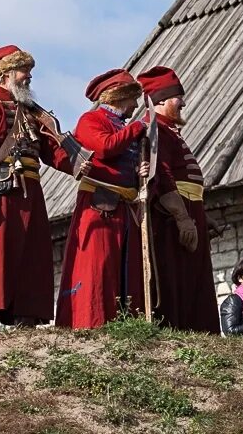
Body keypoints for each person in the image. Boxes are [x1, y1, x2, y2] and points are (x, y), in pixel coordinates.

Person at [0, 45, 74, 327]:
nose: (28, 77)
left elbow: (50, 152)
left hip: (32, 192)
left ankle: (27, 314)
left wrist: (78, 166)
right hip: (2, 188)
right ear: (6, 73)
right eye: (24, 71)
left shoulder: (33, 113)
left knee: (33, 254)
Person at [55, 69, 148, 329]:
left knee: (120, 266)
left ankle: (123, 321)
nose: (136, 105)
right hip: (99, 204)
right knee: (98, 266)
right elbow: (105, 148)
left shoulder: (123, 127)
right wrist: (139, 126)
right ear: (120, 96)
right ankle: (91, 321)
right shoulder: (91, 120)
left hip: (122, 205)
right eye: (132, 99)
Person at [137, 66, 219, 333]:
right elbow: (163, 175)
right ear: (161, 100)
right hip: (172, 217)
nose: (182, 103)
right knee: (178, 276)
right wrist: (183, 217)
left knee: (196, 278)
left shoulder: (170, 130)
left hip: (190, 209)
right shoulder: (156, 130)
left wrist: (201, 215)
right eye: (177, 98)